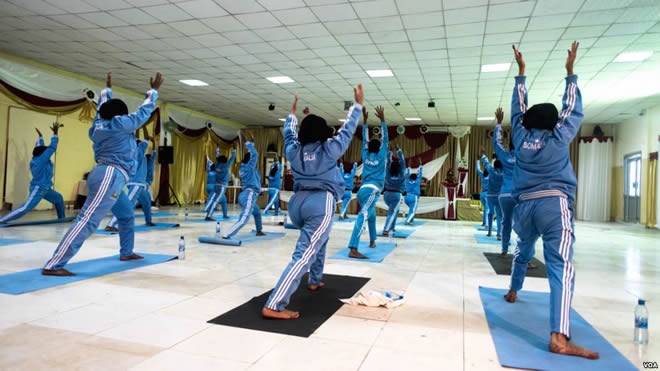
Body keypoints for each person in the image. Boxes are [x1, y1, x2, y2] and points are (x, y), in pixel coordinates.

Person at [504, 42, 599, 359]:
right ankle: (559, 337)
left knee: (523, 250)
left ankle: (514, 289)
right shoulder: (559, 137)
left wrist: (521, 74)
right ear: (553, 123)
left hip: (525, 208)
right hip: (553, 205)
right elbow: (574, 110)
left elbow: (517, 111)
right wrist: (570, 74)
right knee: (561, 267)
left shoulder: (519, 136)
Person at [43, 71, 164, 276]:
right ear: (119, 116)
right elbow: (142, 113)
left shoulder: (98, 125)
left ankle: (127, 252)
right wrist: (153, 91)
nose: (127, 118)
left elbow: (101, 109)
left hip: (111, 177)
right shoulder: (119, 125)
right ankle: (54, 264)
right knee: (87, 220)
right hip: (110, 175)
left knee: (125, 216)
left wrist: (106, 90)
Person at [263, 84, 364, 319]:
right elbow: (347, 130)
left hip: (297, 204)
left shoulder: (293, 150)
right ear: (322, 134)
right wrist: (357, 105)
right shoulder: (329, 149)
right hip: (320, 203)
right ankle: (274, 304)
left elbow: (288, 131)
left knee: (321, 238)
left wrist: (292, 113)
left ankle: (315, 280)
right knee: (303, 255)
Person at [0, 123, 65, 224]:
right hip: (38, 189)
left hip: (46, 188)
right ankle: (2, 220)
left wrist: (40, 137)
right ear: (42, 153)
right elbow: (52, 148)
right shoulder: (40, 160)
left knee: (58, 198)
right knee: (25, 208)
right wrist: (55, 133)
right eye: (44, 150)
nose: (46, 152)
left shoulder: (39, 157)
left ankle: (62, 219)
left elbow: (41, 146)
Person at [347, 105, 388, 259]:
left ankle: (372, 241)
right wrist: (382, 120)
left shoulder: (365, 154)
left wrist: (365, 121)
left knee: (371, 215)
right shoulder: (381, 155)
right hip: (372, 191)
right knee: (363, 215)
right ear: (379, 148)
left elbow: (365, 138)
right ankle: (353, 247)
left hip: (362, 190)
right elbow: (385, 140)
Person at [104, 136, 153, 231]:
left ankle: (148, 220)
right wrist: (146, 139)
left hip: (139, 184)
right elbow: (142, 146)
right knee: (127, 204)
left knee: (143, 203)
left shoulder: (139, 156)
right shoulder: (137, 152)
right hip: (136, 183)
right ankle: (111, 224)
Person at [221, 134, 264, 239]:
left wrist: (251, 144)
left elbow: (256, 176)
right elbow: (255, 155)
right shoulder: (249, 168)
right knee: (244, 218)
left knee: (257, 212)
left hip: (246, 195)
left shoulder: (245, 168)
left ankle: (259, 231)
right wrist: (249, 145)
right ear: (250, 161)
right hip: (249, 195)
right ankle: (227, 234)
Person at [493, 107, 517, 255]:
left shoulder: (505, 157)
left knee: (506, 222)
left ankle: (503, 250)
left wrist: (499, 124)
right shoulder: (525, 157)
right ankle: (524, 257)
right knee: (524, 227)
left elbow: (497, 144)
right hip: (518, 195)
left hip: (504, 196)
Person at [205, 147, 235, 220]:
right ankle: (208, 216)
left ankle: (225, 215)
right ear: (225, 161)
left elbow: (217, 157)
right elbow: (232, 159)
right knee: (215, 201)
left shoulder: (216, 165)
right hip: (221, 187)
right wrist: (234, 151)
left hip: (216, 186)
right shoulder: (225, 166)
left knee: (223, 200)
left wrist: (217, 150)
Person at [382, 145, 406, 236]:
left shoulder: (388, 172)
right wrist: (399, 150)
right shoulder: (402, 172)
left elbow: (388, 161)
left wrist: (390, 152)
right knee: (392, 212)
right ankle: (386, 229)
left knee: (395, 211)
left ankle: (392, 227)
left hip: (386, 194)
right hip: (396, 195)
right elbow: (402, 162)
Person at [480, 150, 503, 239]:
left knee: (490, 213)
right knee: (499, 215)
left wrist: (483, 155)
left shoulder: (491, 171)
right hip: (499, 196)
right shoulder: (503, 173)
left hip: (490, 195)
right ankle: (499, 234)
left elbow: (486, 163)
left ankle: (489, 231)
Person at [404, 161, 423, 225]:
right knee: (413, 211)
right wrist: (420, 164)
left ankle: (411, 220)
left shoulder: (407, 180)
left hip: (406, 197)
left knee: (411, 209)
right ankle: (408, 220)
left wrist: (409, 166)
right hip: (413, 197)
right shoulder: (417, 181)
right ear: (416, 178)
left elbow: (407, 173)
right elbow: (420, 173)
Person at [475, 160, 489, 227]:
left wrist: (477, 161)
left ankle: (484, 222)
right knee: (487, 210)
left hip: (482, 194)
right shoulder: (491, 177)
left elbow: (478, 169)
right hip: (488, 194)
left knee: (485, 209)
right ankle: (486, 224)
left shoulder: (483, 176)